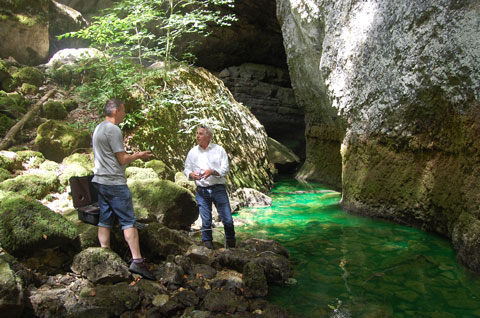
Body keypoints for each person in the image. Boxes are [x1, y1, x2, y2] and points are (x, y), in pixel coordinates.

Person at [92, 98, 155, 280]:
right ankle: (137, 261)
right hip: (114, 182)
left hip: (100, 180)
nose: (125, 114)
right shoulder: (113, 129)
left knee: (105, 218)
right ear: (116, 111)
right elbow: (122, 159)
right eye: (124, 110)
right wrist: (138, 155)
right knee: (128, 220)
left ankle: (105, 254)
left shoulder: (98, 128)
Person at [184, 125, 236, 249]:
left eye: (201, 134)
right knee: (206, 221)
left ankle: (231, 245)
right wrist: (191, 174)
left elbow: (225, 169)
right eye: (197, 133)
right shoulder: (192, 152)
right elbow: (186, 169)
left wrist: (212, 171)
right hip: (201, 190)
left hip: (218, 188)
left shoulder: (219, 150)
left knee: (227, 219)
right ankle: (208, 248)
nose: (197, 136)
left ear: (208, 136)